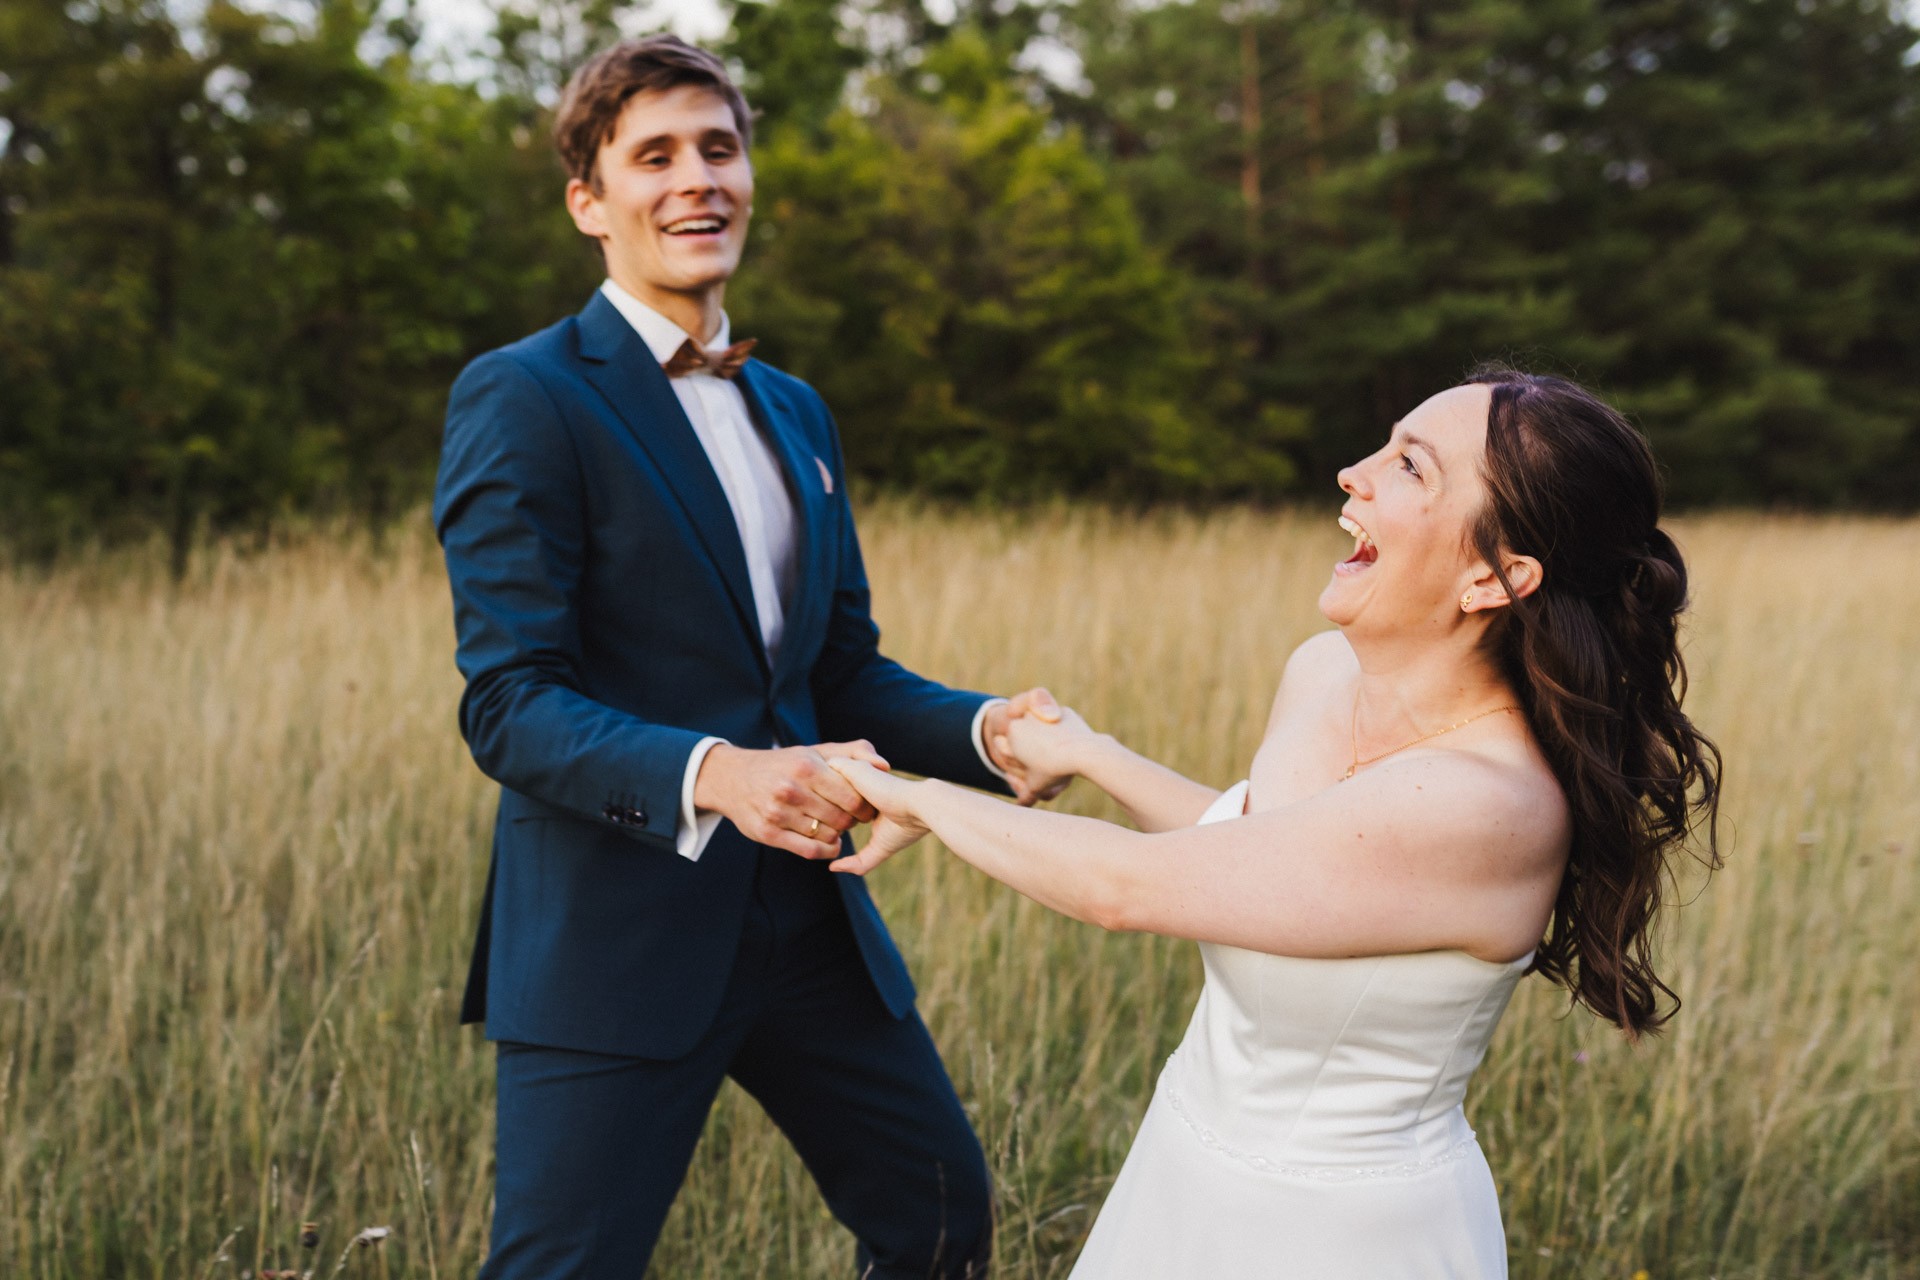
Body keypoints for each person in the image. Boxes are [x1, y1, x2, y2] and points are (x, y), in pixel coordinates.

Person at [828, 370, 1723, 1277]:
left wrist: (919, 797)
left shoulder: (1487, 803)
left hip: (1343, 1234)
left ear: (1495, 577)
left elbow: (1128, 890)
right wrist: (1094, 754)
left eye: (1410, 466)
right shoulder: (1325, 671)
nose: (1352, 473)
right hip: (1181, 1179)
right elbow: (1251, 857)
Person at [432, 36, 1065, 1279]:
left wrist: (987, 731)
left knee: (943, 1223)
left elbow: (837, 672)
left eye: (718, 149)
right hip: (615, 936)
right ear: (588, 202)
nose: (695, 180)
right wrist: (721, 773)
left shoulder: (796, 409)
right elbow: (508, 704)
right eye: (653, 156)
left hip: (809, 923)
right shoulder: (523, 395)